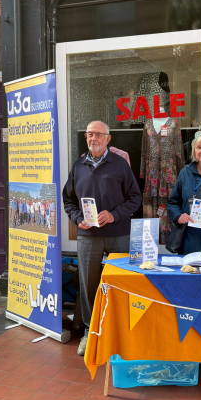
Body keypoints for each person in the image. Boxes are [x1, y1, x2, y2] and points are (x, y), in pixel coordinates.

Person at [63, 120, 141, 356]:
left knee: (122, 283)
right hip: (89, 236)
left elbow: (135, 199)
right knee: (88, 287)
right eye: (89, 134)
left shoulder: (120, 164)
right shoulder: (78, 166)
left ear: (108, 139)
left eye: (98, 134)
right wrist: (78, 219)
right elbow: (68, 200)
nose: (93, 138)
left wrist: (114, 214)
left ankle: (122, 333)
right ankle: (90, 331)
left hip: (118, 235)